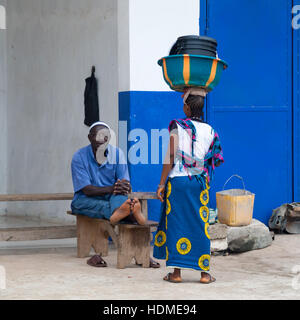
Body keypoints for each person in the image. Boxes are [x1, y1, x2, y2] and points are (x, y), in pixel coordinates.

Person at [153, 88, 224, 283]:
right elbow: (215, 159)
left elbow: (170, 156)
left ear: (186, 107)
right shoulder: (211, 131)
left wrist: (161, 184)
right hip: (199, 183)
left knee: (176, 224)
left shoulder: (177, 126)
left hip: (178, 181)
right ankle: (204, 274)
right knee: (201, 224)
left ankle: (176, 274)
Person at [71, 121, 160, 268]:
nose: (103, 139)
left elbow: (124, 184)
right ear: (90, 137)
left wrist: (124, 186)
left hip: (113, 196)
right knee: (109, 205)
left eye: (106, 136)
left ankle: (122, 212)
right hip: (86, 198)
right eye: (99, 136)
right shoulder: (79, 157)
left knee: (121, 200)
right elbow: (87, 190)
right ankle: (133, 216)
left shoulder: (117, 153)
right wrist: (114, 188)